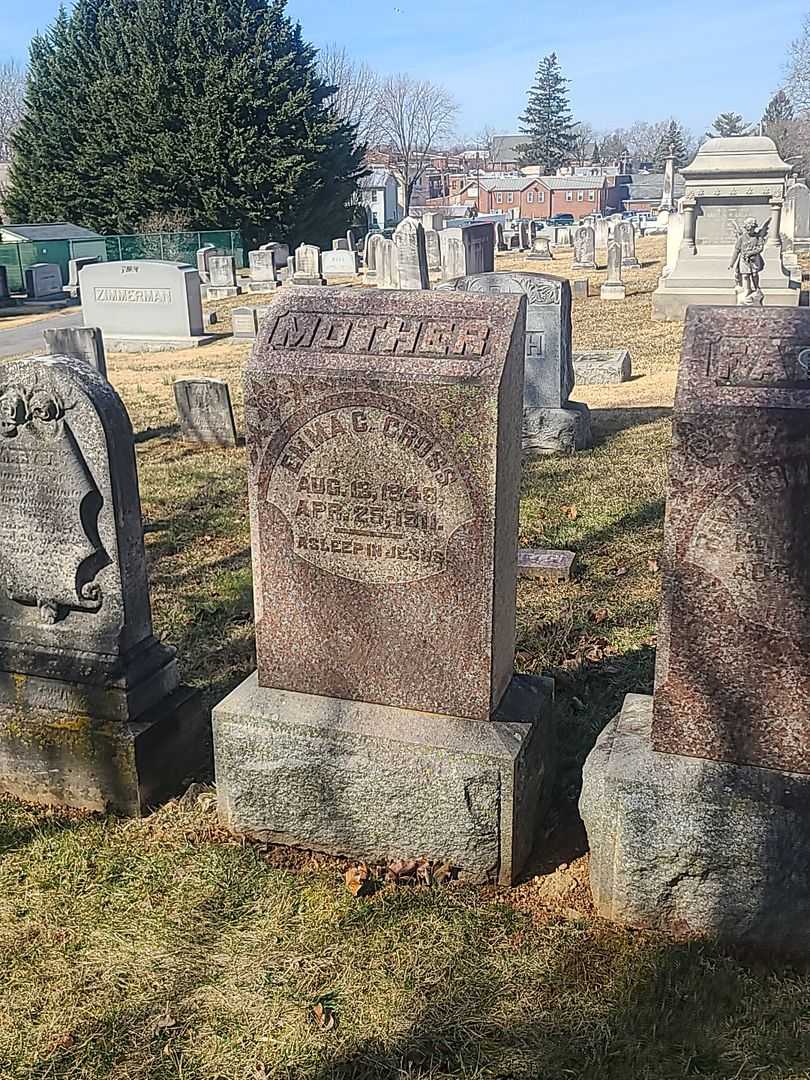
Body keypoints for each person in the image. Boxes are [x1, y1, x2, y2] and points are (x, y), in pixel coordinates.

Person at [729, 217, 767, 302]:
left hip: (754, 259)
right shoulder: (741, 238)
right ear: (746, 228)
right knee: (745, 275)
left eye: (752, 229)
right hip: (744, 259)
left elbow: (760, 248)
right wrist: (731, 263)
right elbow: (736, 250)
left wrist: (752, 253)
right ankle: (747, 289)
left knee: (754, 274)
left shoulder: (758, 237)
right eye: (748, 229)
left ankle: (757, 287)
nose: (750, 231)